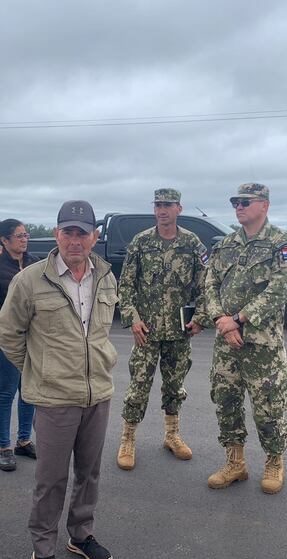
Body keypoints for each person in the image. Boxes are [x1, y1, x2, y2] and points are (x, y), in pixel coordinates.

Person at [0, 200, 118, 559]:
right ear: (56, 234)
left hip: (97, 393)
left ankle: (80, 535)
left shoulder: (106, 277)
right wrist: (38, 370)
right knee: (51, 480)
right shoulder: (31, 279)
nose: (75, 240)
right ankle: (43, 548)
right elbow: (8, 332)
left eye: (82, 232)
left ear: (95, 236)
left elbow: (100, 333)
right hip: (53, 398)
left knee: (89, 472)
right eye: (68, 231)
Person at [204, 183, 287, 493]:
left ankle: (274, 461)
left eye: (245, 202)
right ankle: (235, 463)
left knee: (268, 407)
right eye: (235, 202)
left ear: (264, 206)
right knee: (226, 401)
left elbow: (281, 289)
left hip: (262, 344)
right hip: (226, 342)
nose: (238, 206)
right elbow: (210, 283)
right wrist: (220, 319)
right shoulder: (226, 244)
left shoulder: (281, 243)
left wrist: (238, 319)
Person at [116, 188, 208, 470]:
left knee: (175, 386)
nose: (162, 210)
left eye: (167, 205)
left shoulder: (192, 243)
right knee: (138, 386)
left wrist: (201, 317)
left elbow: (206, 285)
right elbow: (126, 286)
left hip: (179, 333)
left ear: (179, 208)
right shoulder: (141, 242)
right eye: (158, 205)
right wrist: (132, 318)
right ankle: (128, 438)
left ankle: (172, 435)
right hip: (147, 331)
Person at [0, 218, 38, 472]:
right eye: (19, 236)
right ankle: (4, 447)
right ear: (5, 240)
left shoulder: (34, 264)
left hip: (33, 338)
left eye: (26, 235)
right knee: (6, 392)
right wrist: (9, 326)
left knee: (29, 391)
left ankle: (24, 440)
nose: (25, 239)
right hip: (5, 338)